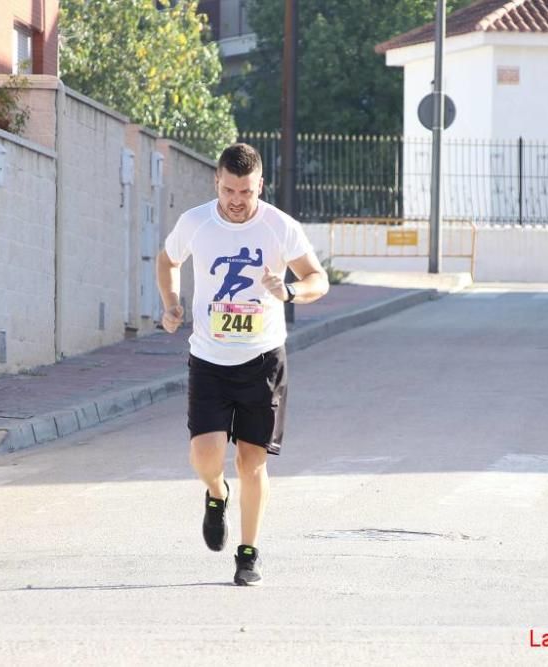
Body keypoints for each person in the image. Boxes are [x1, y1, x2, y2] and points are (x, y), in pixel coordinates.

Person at [156, 143, 329, 586]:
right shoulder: (195, 222)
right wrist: (171, 302)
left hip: (263, 360)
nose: (237, 200)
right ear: (217, 182)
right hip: (210, 358)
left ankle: (247, 554)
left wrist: (289, 291)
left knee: (252, 462)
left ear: (260, 186)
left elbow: (317, 279)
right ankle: (216, 495)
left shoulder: (279, 226)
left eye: (246, 192)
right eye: (229, 189)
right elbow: (167, 260)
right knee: (205, 456)